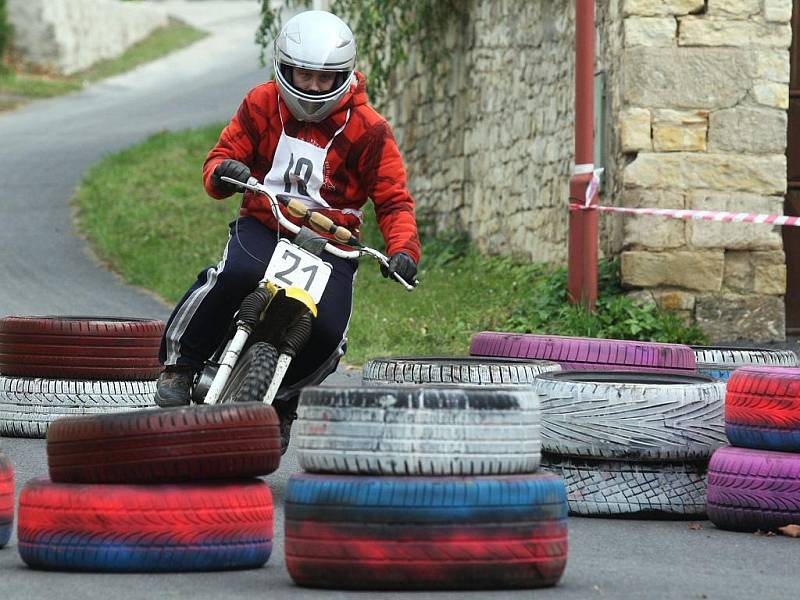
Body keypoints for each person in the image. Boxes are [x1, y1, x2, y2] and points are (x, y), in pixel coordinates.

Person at [154, 10, 420, 453]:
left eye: (326, 77)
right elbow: (222, 155)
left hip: (333, 244)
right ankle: (182, 364)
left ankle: (283, 401)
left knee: (330, 332)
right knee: (234, 276)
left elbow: (394, 201)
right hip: (265, 221)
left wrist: (403, 250)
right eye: (304, 74)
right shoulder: (262, 103)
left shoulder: (371, 130)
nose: (314, 87)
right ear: (284, 67)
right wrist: (224, 172)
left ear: (345, 75)